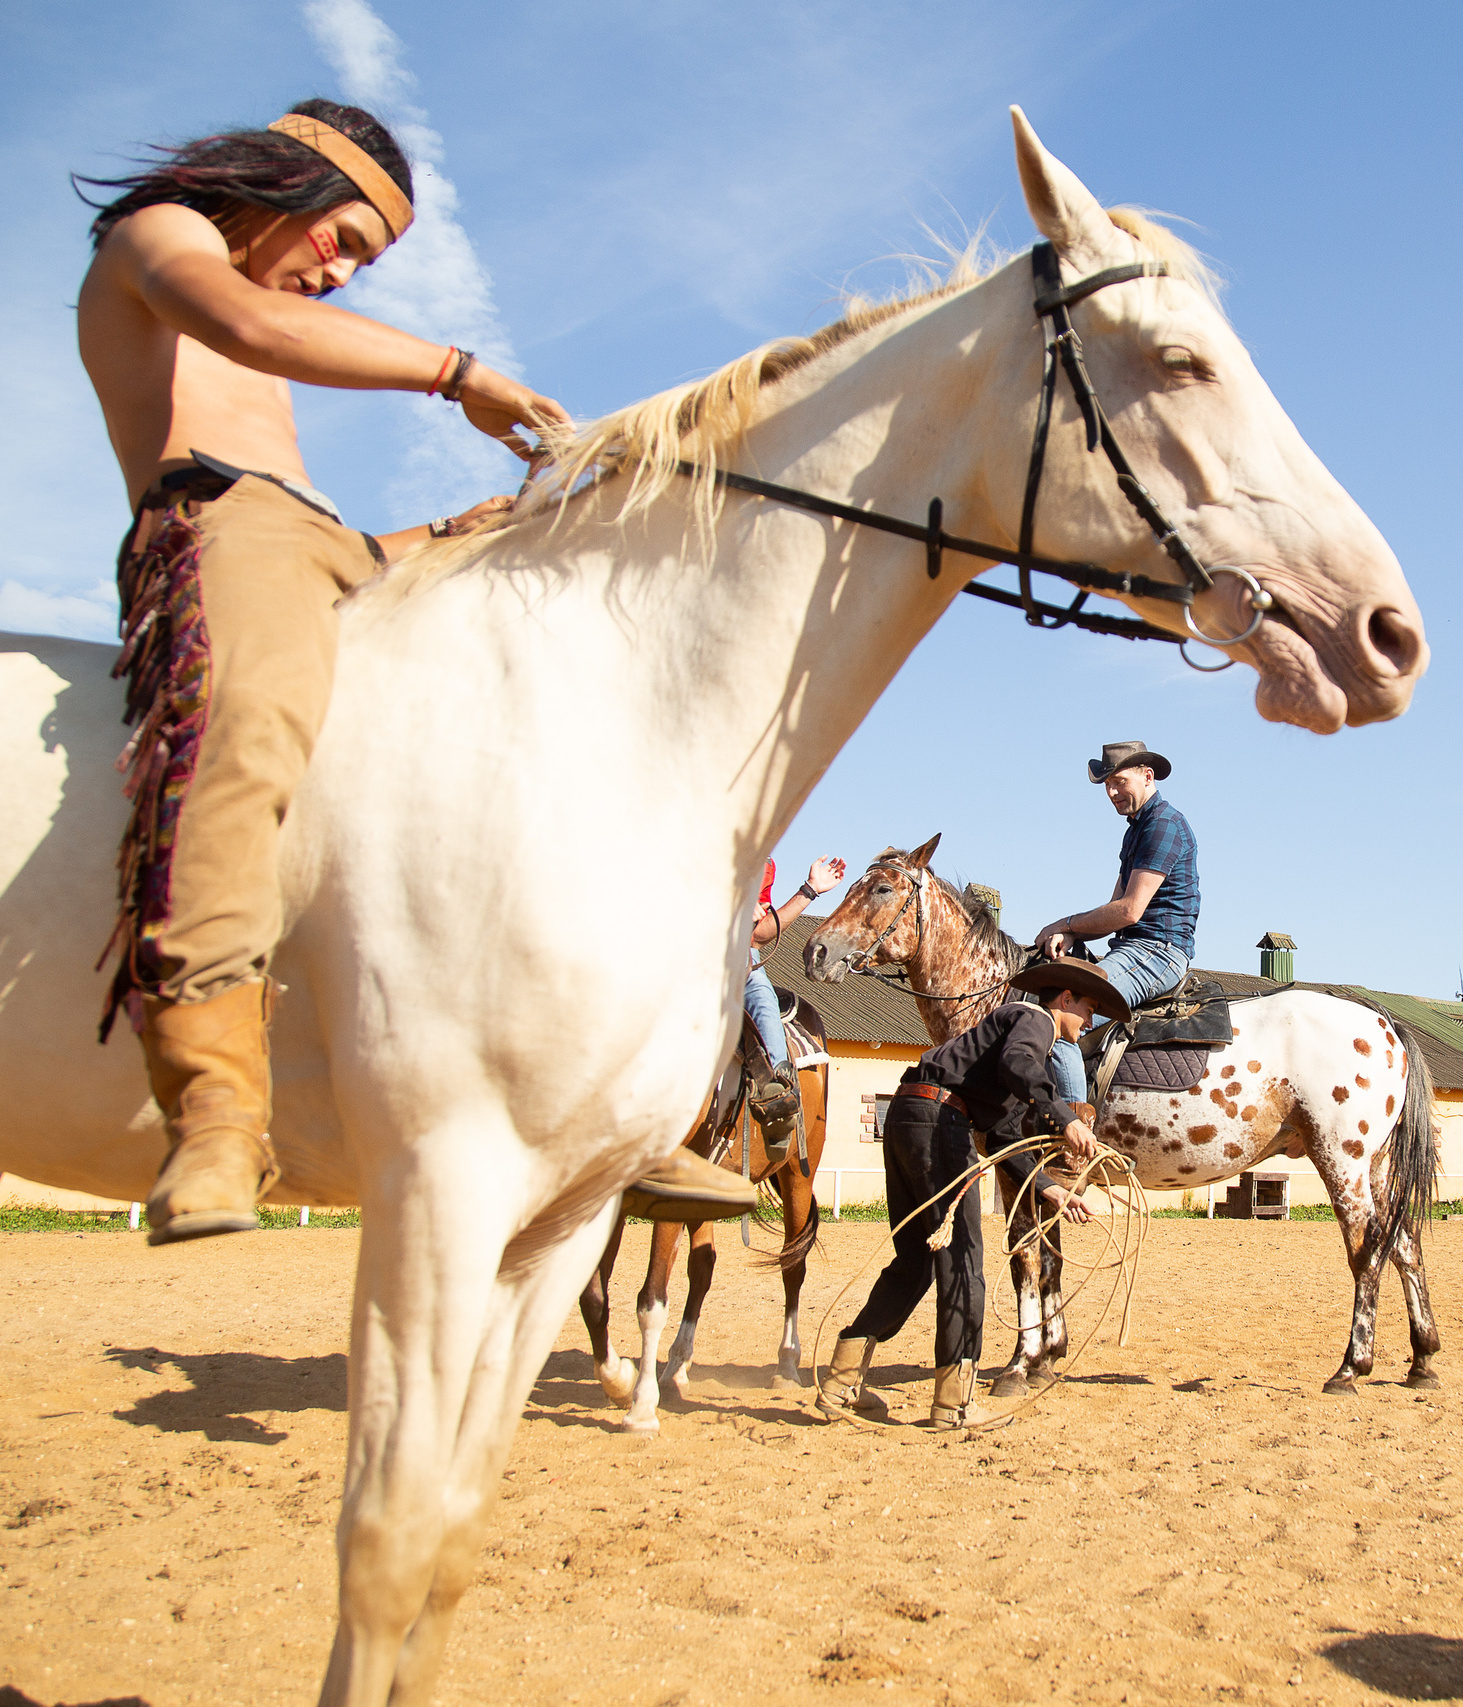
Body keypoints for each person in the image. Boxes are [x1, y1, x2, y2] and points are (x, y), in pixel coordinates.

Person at [75, 100, 741, 1239]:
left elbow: (295, 486)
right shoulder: (160, 239)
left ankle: (598, 1108)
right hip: (216, 534)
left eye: (360, 262)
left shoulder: (261, 295)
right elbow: (243, 327)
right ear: (282, 182)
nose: (338, 276)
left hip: (326, 545)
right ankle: (215, 1112)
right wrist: (454, 372)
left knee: (543, 731)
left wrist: (438, 535)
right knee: (245, 730)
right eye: (342, 241)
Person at [817, 961, 1127, 1429]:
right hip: (940, 1123)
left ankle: (842, 1383)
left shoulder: (1003, 1049)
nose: (1089, 1021)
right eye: (1088, 1008)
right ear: (1064, 999)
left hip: (909, 1114)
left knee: (915, 1261)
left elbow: (1003, 1139)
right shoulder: (1034, 1021)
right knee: (963, 1261)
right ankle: (954, 1403)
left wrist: (1051, 1192)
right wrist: (1064, 1117)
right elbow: (1019, 1065)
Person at [1031, 741, 1199, 1105]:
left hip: (1158, 951)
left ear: (1147, 776)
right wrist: (1072, 931)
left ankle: (1073, 1133)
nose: (1112, 793)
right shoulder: (1136, 829)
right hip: (1133, 947)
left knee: (1061, 1017)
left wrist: (1065, 921)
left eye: (1119, 782)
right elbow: (1114, 907)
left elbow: (1129, 911)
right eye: (1107, 785)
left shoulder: (1164, 824)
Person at [745, 855, 846, 1136]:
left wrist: (811, 889)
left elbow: (759, 935)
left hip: (737, 958)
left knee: (762, 1000)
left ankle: (777, 1092)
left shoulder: (763, 864)